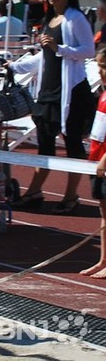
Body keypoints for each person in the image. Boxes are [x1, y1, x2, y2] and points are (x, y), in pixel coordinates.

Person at [8, 0, 96, 215]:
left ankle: (70, 196)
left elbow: (88, 50)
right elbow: (43, 56)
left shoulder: (75, 18)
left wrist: (61, 48)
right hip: (47, 92)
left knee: (73, 145)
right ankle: (34, 192)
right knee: (45, 145)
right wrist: (15, 66)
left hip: (70, 92)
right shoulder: (51, 18)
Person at [82, 48, 106, 279]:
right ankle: (102, 260)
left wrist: (103, 161)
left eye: (105, 66)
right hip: (95, 159)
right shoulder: (102, 94)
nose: (101, 71)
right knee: (103, 212)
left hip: (103, 163)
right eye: (100, 66)